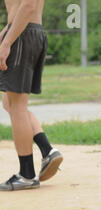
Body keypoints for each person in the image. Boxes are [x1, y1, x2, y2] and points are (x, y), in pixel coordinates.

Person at [0, 0, 62, 191]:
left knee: (17, 105)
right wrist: (4, 36)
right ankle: (47, 149)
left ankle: (27, 174)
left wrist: (8, 42)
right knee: (10, 103)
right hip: (25, 32)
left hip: (22, 34)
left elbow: (28, 6)